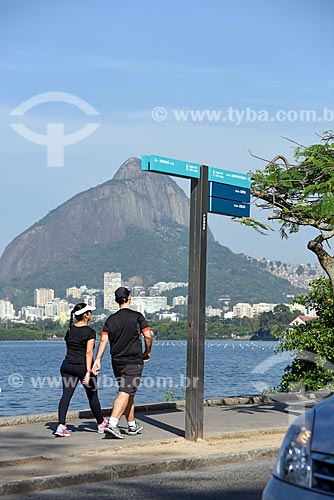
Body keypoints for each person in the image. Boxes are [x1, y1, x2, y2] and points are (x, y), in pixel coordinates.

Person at [92, 287, 152, 439]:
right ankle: (112, 424)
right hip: (133, 360)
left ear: (116, 300)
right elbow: (148, 336)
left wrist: (97, 359)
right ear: (129, 298)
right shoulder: (137, 317)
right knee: (125, 392)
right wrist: (147, 351)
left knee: (128, 392)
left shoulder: (110, 320)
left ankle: (131, 425)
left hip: (117, 361)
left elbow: (104, 340)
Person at [55, 303, 108, 437]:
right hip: (82, 367)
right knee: (92, 396)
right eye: (90, 311)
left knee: (66, 396)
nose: (91, 313)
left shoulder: (70, 330)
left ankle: (61, 426)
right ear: (85, 315)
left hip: (67, 367)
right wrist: (88, 372)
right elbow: (88, 353)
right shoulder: (90, 332)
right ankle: (101, 423)